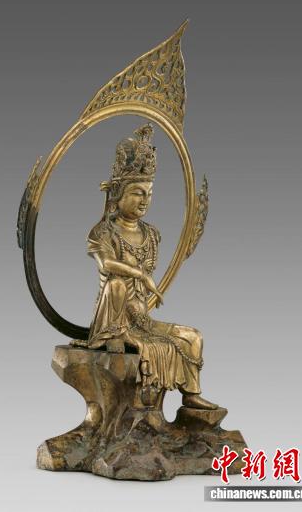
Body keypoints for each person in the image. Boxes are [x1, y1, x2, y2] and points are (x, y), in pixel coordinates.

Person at [87, 123, 217, 410]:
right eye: (137, 192)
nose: (145, 200)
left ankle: (191, 397)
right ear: (117, 194)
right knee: (116, 283)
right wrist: (140, 275)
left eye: (149, 193)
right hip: (116, 317)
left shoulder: (152, 234)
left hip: (141, 318)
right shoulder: (103, 232)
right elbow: (107, 264)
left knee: (193, 337)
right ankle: (115, 338)